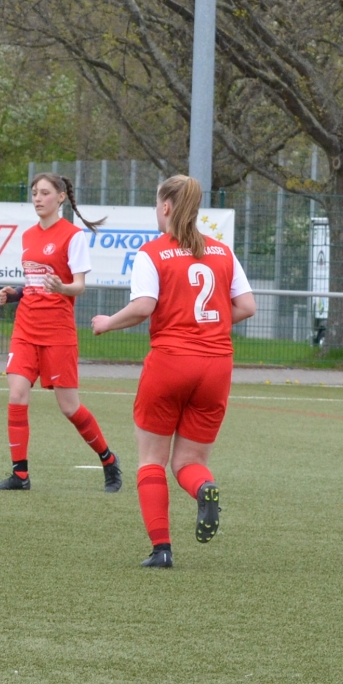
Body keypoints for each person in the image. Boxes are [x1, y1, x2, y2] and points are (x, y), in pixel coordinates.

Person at [91, 175, 256, 568]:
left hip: (170, 362)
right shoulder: (222, 251)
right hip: (216, 366)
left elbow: (143, 306)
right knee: (188, 462)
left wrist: (107, 322)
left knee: (152, 459)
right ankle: (203, 487)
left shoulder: (153, 252)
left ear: (165, 206)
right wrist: (209, 325)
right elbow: (248, 306)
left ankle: (161, 549)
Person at [0, 173, 121, 492]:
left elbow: (79, 286)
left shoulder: (72, 236)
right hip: (25, 327)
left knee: (69, 407)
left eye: (44, 193)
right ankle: (20, 475)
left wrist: (63, 287)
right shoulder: (28, 235)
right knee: (17, 394)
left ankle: (108, 459)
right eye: (34, 192)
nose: (37, 198)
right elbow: (35, 284)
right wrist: (15, 293)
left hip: (57, 331)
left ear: (61, 197)